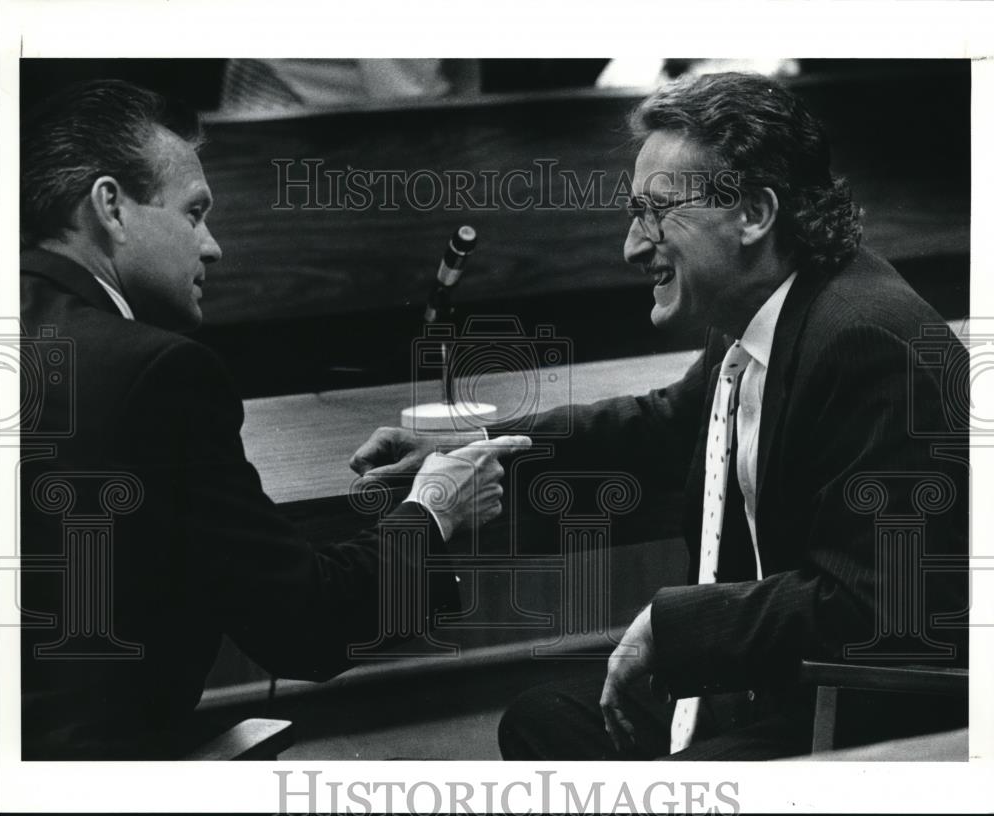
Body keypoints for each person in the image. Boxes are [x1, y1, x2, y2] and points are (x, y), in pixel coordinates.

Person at [350, 72, 969, 760]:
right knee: (542, 719)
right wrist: (477, 448)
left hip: (861, 723)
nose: (633, 246)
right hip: (778, 686)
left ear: (754, 213)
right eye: (632, 214)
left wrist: (673, 628)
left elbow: (881, 615)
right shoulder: (765, 314)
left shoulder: (865, 343)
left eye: (657, 212)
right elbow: (659, 425)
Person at [18, 79, 530, 760]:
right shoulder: (159, 374)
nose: (213, 246)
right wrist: (433, 510)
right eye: (194, 213)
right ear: (111, 206)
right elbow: (305, 628)